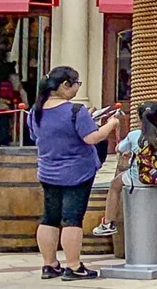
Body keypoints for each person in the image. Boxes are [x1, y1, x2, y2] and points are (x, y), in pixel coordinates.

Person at [30, 67, 121, 282]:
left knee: (49, 217)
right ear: (65, 85)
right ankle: (73, 266)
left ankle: (49, 264)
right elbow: (92, 138)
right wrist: (111, 124)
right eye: (76, 84)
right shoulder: (75, 111)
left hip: (48, 170)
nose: (77, 88)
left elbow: (37, 136)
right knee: (72, 219)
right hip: (76, 172)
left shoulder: (36, 111)